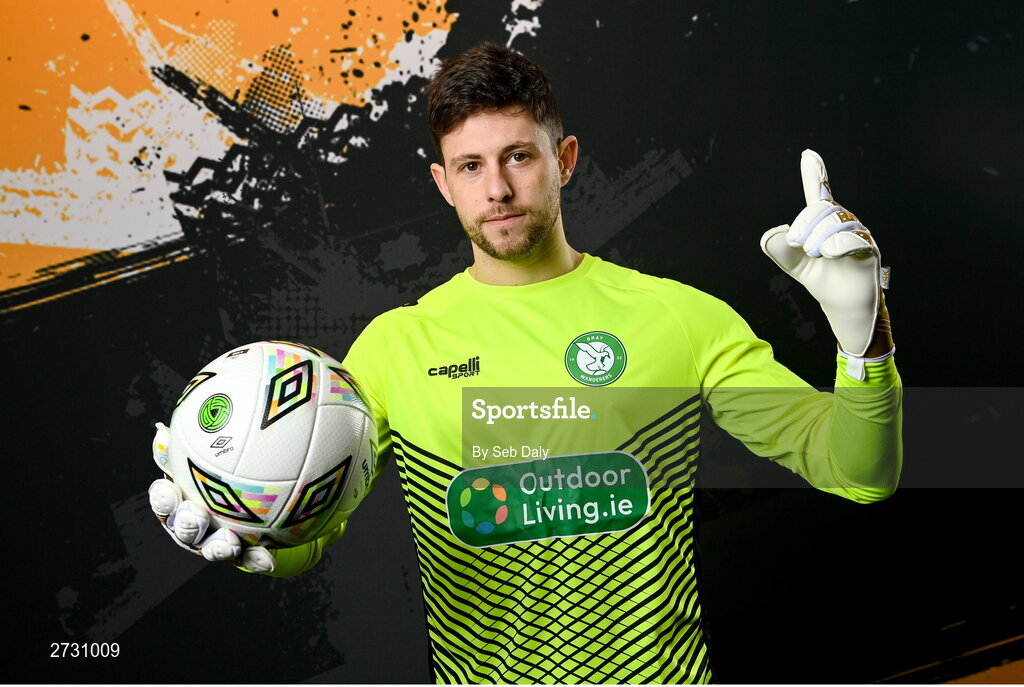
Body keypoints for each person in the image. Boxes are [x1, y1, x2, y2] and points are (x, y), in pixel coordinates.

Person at [149, 42, 901, 683]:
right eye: (470, 166)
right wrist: (249, 538)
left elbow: (860, 471)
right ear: (443, 184)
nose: (498, 189)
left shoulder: (679, 316)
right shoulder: (393, 347)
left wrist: (863, 338)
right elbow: (312, 532)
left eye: (517, 156)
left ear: (563, 159)